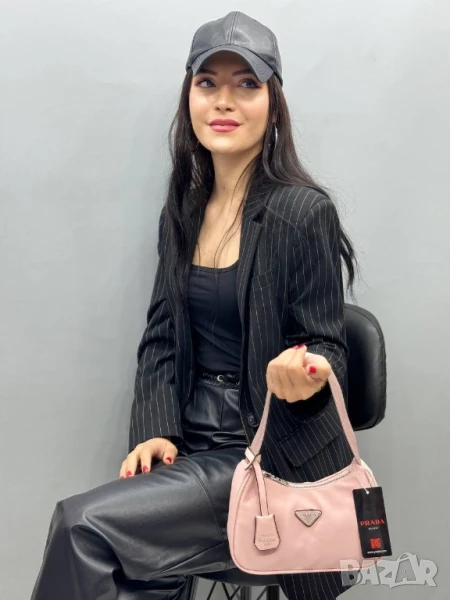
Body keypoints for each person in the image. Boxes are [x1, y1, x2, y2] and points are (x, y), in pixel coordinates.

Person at [30, 10, 360, 600]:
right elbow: (162, 333)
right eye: (208, 83)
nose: (224, 100)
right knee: (133, 571)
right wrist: (154, 430)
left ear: (273, 104)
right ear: (189, 97)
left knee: (83, 528)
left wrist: (307, 372)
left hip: (259, 457)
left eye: (247, 83)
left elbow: (329, 345)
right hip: (189, 447)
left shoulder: (302, 212)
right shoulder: (182, 212)